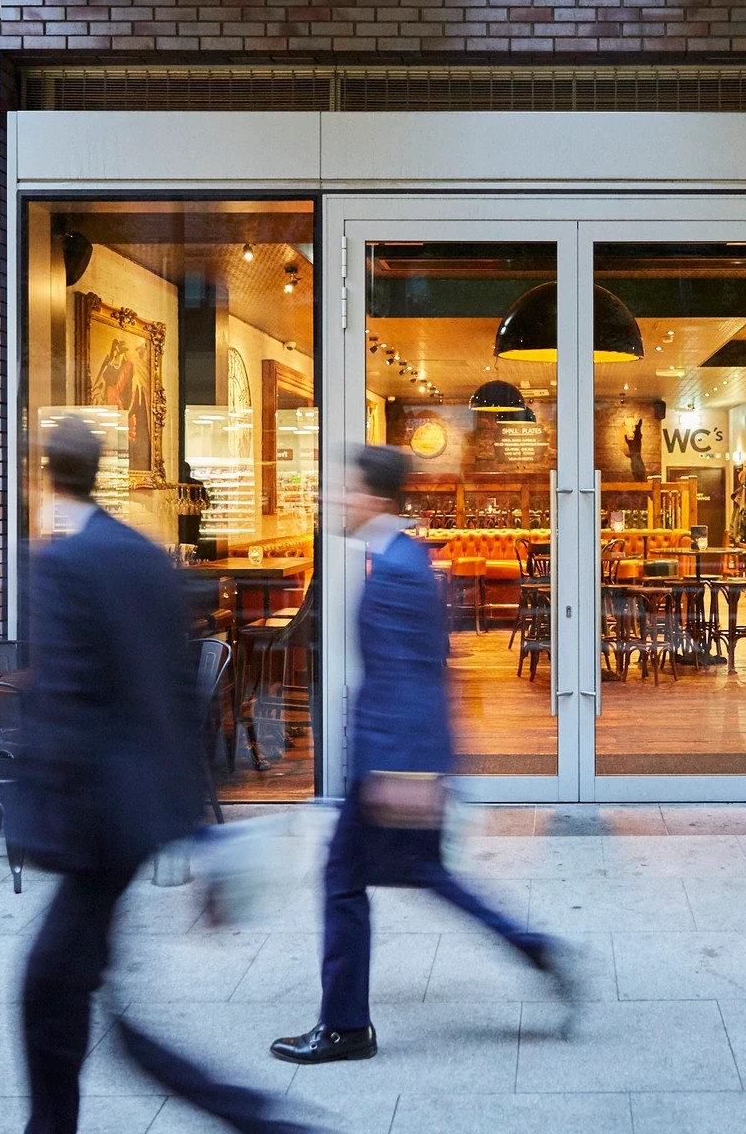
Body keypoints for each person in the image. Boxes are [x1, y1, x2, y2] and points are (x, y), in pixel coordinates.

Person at [14, 416, 312, 1134]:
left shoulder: (60, 564)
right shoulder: (144, 555)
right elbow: (174, 692)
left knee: (57, 994)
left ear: (47, 476)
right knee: (73, 993)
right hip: (139, 805)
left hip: (96, 817)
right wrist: (189, 816)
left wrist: (41, 818)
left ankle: (263, 1121)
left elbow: (64, 698)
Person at [271, 445, 573, 1066]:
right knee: (420, 873)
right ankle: (532, 947)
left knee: (345, 880)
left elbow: (412, 675)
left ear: (375, 498)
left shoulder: (398, 569)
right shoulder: (402, 558)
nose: (336, 498)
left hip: (394, 761)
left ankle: (346, 1026)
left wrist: (406, 770)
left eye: (346, 488)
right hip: (402, 756)